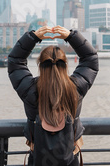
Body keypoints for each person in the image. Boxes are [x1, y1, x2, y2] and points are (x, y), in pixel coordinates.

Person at [8, 25, 99, 166]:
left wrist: (32, 38)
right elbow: (90, 59)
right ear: (65, 64)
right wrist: (71, 36)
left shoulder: (29, 89)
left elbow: (15, 61)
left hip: (38, 158)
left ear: (40, 64)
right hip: (70, 158)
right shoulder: (75, 88)